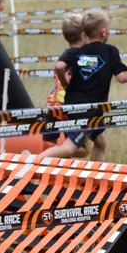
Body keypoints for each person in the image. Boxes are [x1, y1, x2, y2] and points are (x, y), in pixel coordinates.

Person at [38, 9, 127, 162]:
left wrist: (65, 84)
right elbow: (122, 78)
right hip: (84, 111)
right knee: (70, 148)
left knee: (100, 141)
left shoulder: (77, 53)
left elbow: (59, 67)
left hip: (76, 107)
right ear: (103, 32)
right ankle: (30, 163)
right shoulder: (108, 51)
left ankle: (97, 178)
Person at [43, 13, 88, 155]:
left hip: (53, 104)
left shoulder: (65, 56)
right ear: (83, 35)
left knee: (50, 143)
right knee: (83, 150)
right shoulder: (83, 57)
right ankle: (40, 157)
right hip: (70, 108)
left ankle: (51, 158)